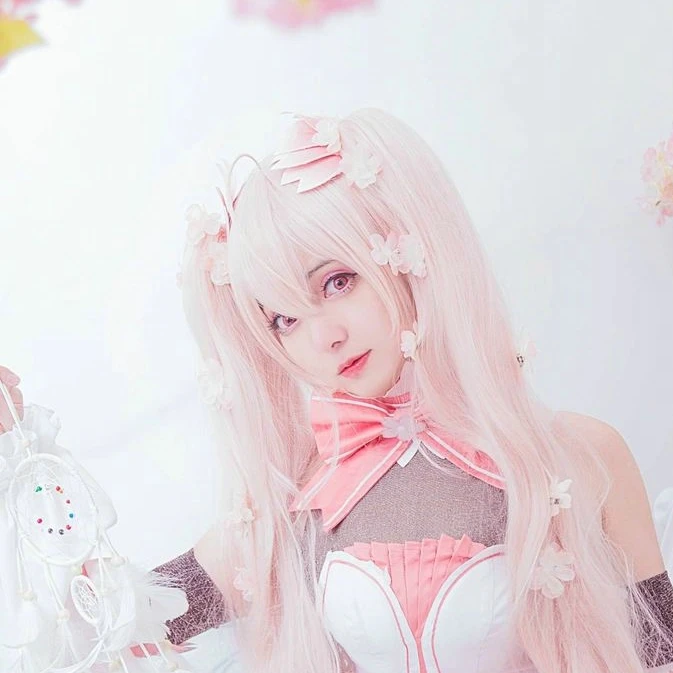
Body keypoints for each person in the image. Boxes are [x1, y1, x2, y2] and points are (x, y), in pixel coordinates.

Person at [3, 109, 673, 673]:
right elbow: (107, 625)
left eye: (337, 282)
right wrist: (21, 449)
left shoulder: (578, 454)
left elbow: (659, 652)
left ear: (410, 251)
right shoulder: (295, 499)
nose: (323, 337)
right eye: (283, 319)